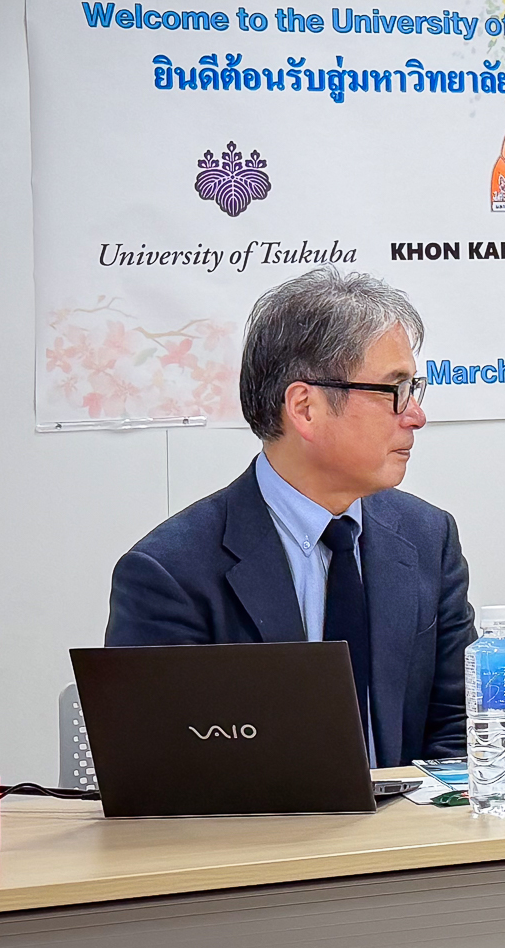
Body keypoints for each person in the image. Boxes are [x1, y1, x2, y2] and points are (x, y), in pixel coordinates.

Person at [105, 267, 475, 766]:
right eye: (394, 390)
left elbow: (463, 730)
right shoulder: (170, 574)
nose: (416, 415)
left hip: (406, 817)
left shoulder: (428, 538)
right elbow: (162, 771)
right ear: (305, 408)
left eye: (414, 389)